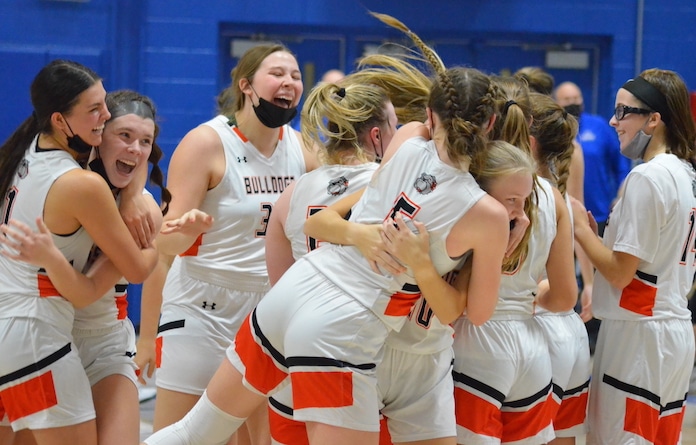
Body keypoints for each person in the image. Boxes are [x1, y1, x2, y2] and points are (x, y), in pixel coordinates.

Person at [142, 10, 513, 445]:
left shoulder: (408, 137)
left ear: (429, 114)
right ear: (491, 123)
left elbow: (321, 218)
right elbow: (475, 313)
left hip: (291, 294)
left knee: (190, 435)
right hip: (343, 325)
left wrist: (359, 233)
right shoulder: (488, 213)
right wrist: (422, 266)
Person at [142, 43, 318, 445]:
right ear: (247, 86)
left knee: (259, 440)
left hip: (267, 310)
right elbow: (163, 247)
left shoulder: (304, 150)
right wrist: (184, 229)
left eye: (294, 75)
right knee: (178, 436)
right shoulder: (206, 142)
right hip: (202, 308)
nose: (289, 82)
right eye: (277, 73)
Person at [0, 60, 158, 445]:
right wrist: (160, 241)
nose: (103, 117)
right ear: (60, 120)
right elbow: (133, 271)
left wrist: (136, 189)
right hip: (36, 332)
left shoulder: (26, 154)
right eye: (96, 112)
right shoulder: (82, 183)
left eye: (146, 142)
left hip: (46, 332)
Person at [570, 69, 696, 444]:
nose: (613, 121)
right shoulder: (686, 173)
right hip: (671, 333)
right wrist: (599, 240)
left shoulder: (647, 178)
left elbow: (621, 273)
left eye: (624, 111)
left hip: (640, 337)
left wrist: (578, 230)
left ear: (654, 119)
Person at [451, 76, 578, 445]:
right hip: (532, 346)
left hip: (476, 342)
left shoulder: (472, 184)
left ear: (487, 122)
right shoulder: (552, 196)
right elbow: (565, 297)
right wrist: (528, 295)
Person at [527, 91, 590, 445]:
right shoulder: (557, 192)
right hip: (570, 336)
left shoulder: (519, 192)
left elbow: (563, 294)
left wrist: (519, 295)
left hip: (538, 332)